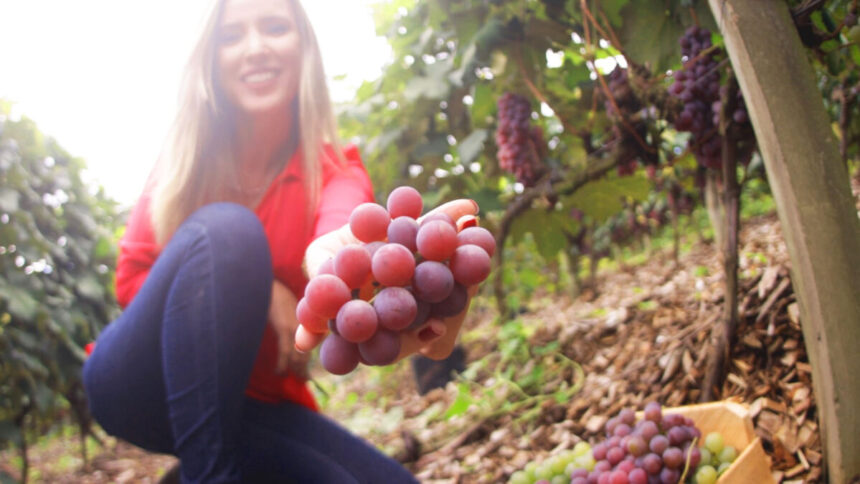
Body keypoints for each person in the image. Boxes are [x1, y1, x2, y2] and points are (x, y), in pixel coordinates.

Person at [81, 0, 477, 482]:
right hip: (141, 385)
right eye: (231, 36)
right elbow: (131, 280)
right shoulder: (183, 165)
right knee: (227, 232)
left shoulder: (336, 170)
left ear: (304, 49)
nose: (256, 49)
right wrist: (258, 286)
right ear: (211, 57)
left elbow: (343, 234)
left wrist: (342, 266)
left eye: (275, 27)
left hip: (255, 402)